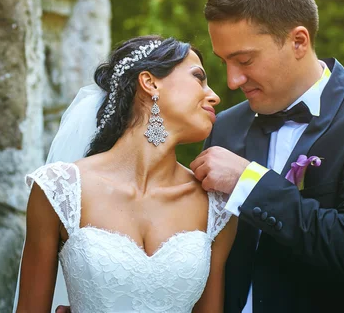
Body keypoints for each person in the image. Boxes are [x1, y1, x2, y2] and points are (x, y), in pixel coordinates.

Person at [189, 0, 344, 313]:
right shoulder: (225, 126)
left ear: (298, 41)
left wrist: (249, 183)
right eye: (224, 63)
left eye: (244, 61)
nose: (232, 81)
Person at [14, 36, 237, 313]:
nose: (214, 95)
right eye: (198, 78)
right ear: (150, 83)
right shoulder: (59, 191)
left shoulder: (217, 207)